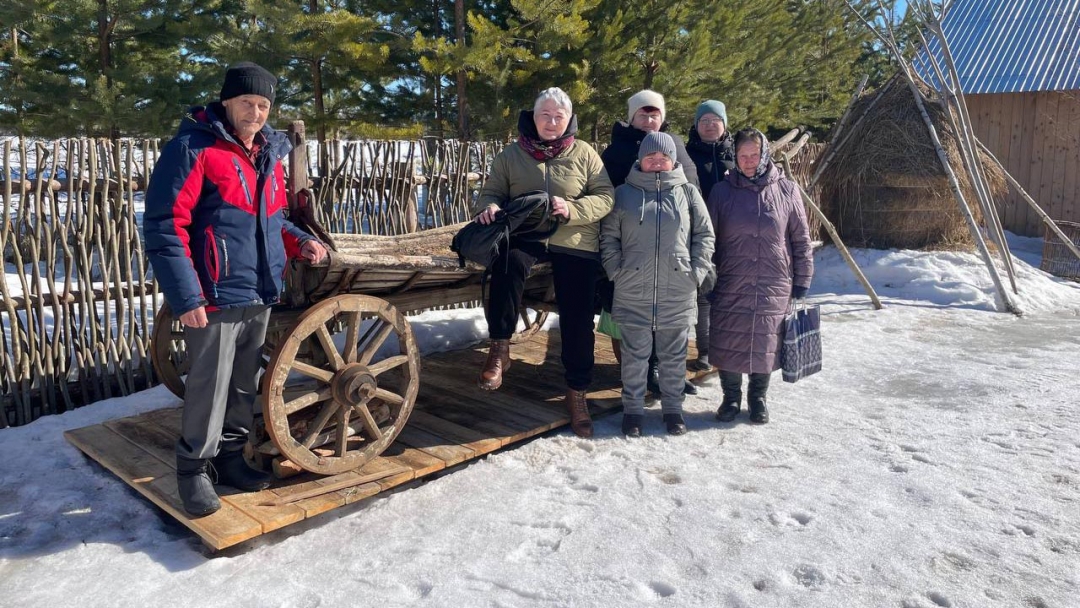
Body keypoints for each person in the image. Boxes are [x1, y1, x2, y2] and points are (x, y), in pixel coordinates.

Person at [143, 62, 328, 516]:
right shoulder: (194, 149)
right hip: (214, 292)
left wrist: (300, 240)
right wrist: (187, 297)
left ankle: (229, 458)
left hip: (259, 288)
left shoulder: (266, 154)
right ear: (226, 101)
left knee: (243, 383)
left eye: (264, 104)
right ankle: (194, 470)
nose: (256, 111)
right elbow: (166, 226)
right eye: (247, 102)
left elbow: (270, 219)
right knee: (209, 384)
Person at [473, 87, 614, 438]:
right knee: (506, 264)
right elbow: (491, 191)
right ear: (532, 118)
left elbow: (606, 196)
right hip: (527, 234)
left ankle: (576, 392)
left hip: (574, 239)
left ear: (569, 120)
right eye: (544, 115)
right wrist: (488, 206)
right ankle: (500, 347)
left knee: (578, 314)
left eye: (558, 116)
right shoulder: (512, 154)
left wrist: (573, 209)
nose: (551, 122)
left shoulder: (584, 154)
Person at [600, 132, 714, 437]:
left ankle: (673, 410)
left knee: (674, 356)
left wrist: (695, 272)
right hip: (633, 288)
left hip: (677, 288)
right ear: (641, 160)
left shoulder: (688, 193)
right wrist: (616, 270)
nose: (657, 162)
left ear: (673, 160)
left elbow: (705, 235)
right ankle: (633, 411)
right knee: (635, 356)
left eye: (663, 157)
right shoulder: (623, 194)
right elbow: (609, 237)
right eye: (651, 157)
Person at [706, 128, 813, 425]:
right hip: (731, 280)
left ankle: (758, 399)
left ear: (765, 153)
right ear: (735, 157)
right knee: (729, 340)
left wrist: (802, 280)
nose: (749, 160)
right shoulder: (721, 192)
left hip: (773, 281)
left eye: (754, 154)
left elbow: (801, 240)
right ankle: (730, 398)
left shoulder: (787, 190)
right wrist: (707, 278)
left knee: (764, 341)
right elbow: (707, 239)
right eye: (743, 155)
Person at [600, 89, 700, 396]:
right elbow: (603, 198)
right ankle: (637, 372)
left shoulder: (676, 146)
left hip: (670, 251)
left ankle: (668, 371)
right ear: (631, 117)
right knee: (630, 317)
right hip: (631, 252)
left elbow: (691, 191)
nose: (649, 119)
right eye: (643, 114)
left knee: (668, 313)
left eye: (655, 113)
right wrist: (613, 263)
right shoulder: (616, 151)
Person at [685, 100, 736, 373]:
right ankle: (705, 351)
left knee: (730, 296)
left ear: (724, 124)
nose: (709, 125)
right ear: (696, 125)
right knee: (704, 295)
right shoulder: (686, 154)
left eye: (714, 120)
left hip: (733, 236)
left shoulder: (738, 155)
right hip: (698, 235)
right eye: (703, 120)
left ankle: (726, 348)